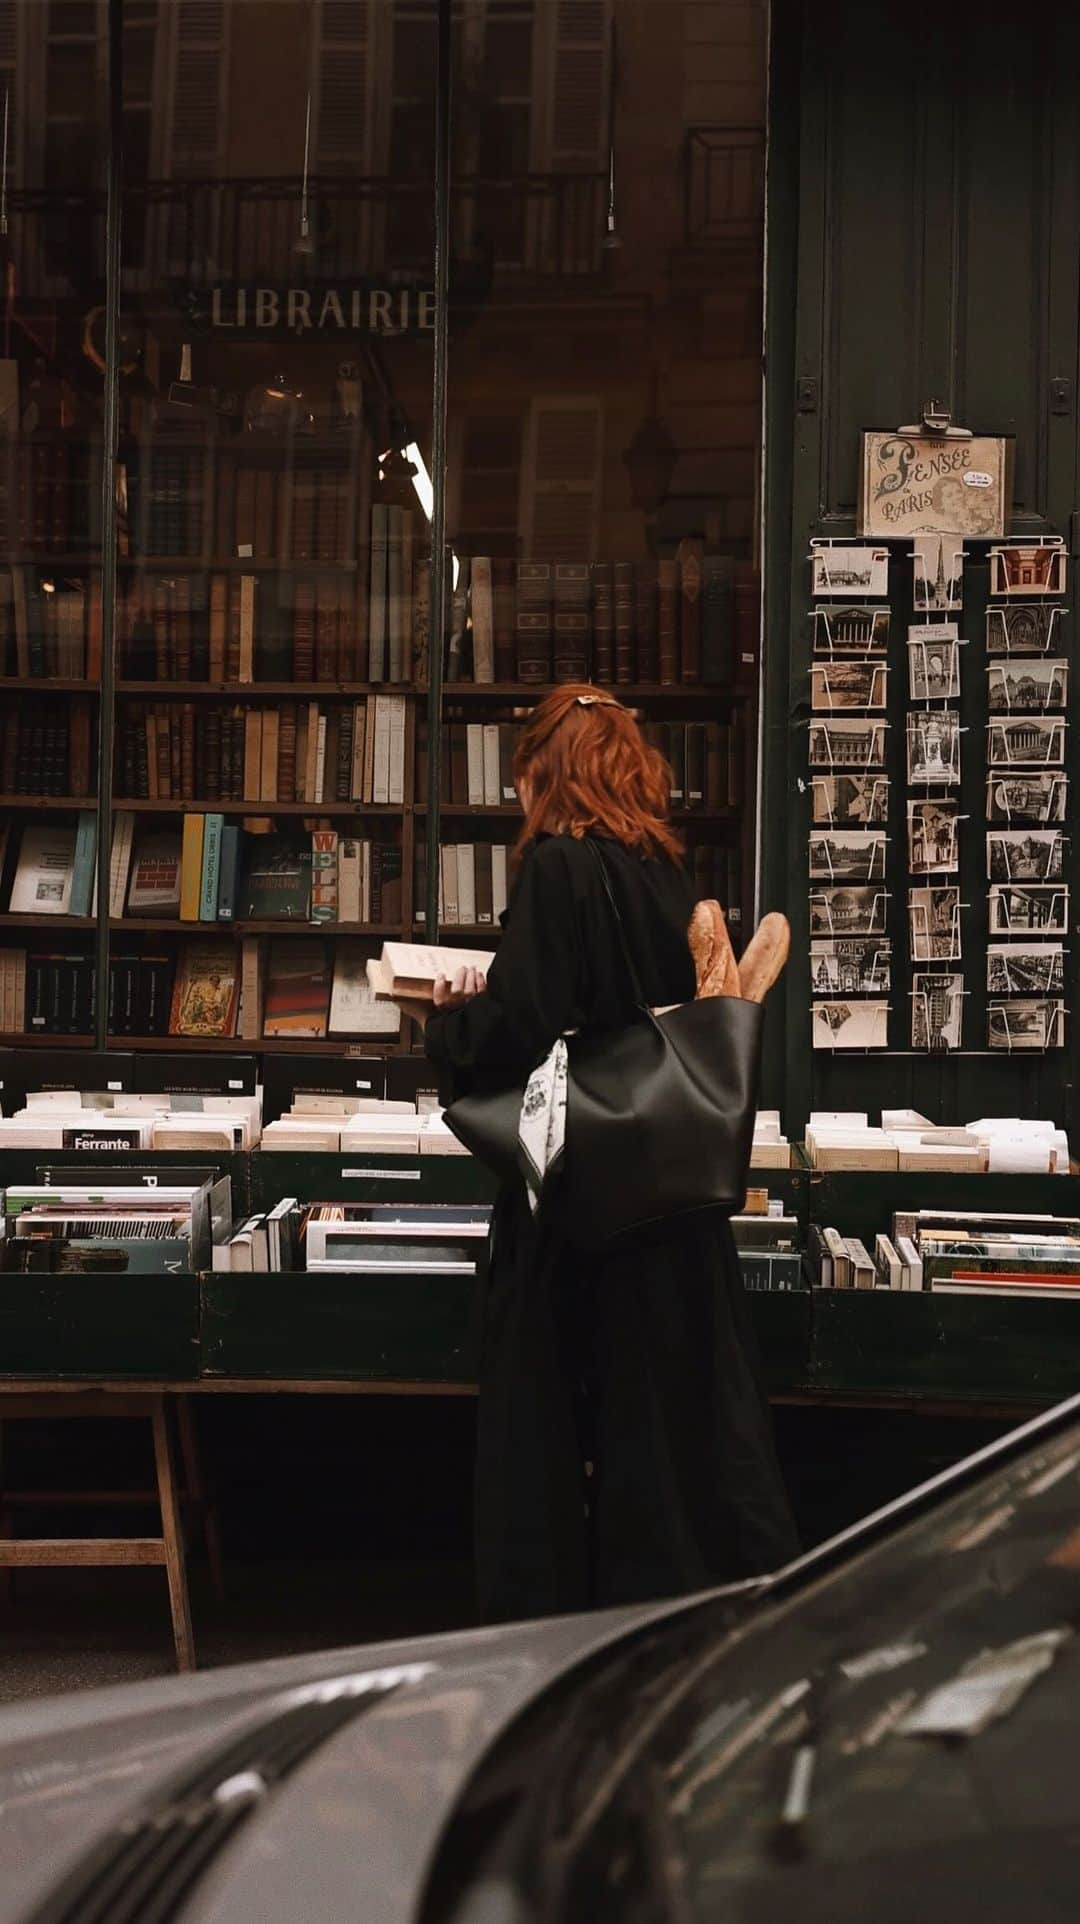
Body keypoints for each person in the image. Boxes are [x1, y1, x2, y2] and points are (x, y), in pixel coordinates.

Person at [422, 685, 798, 1622]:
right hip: (667, 1198)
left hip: (581, 1203)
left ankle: (548, 1628)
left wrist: (451, 1024)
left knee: (545, 1428)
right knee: (665, 1433)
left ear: (543, 772)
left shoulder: (556, 867)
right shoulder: (662, 871)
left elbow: (525, 1023)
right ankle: (678, 1626)